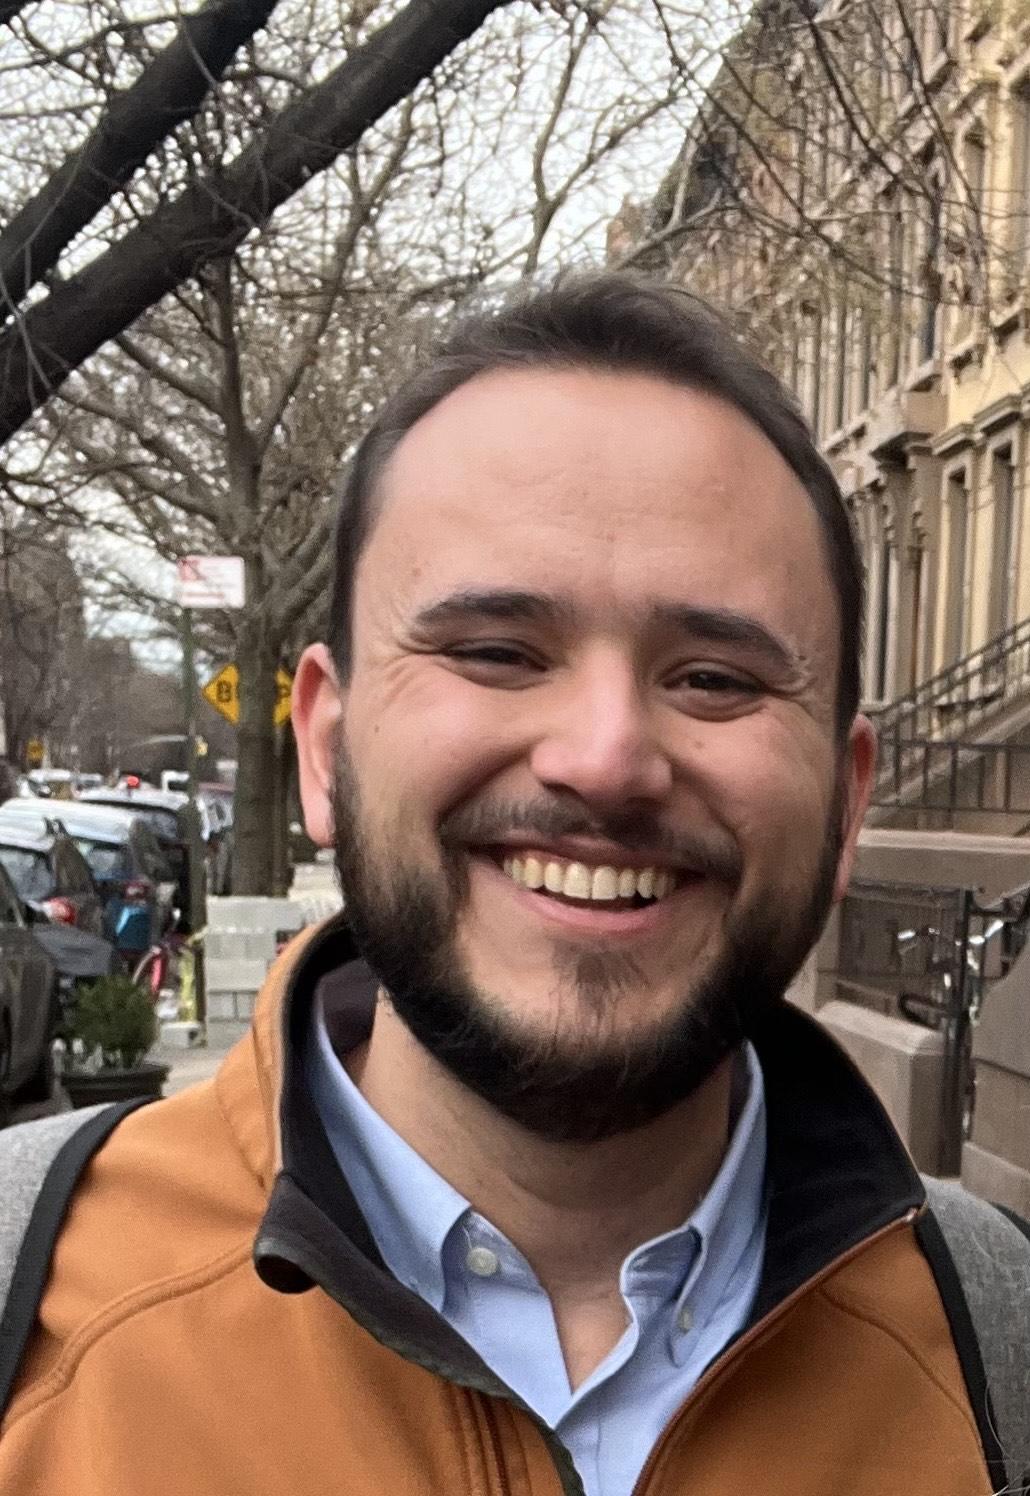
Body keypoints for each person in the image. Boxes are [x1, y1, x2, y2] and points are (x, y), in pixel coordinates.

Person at [0, 273, 1020, 1495]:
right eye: (495, 651)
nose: (604, 756)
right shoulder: (33, 1300)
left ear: (849, 800)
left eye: (713, 678)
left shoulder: (994, 1356)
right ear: (324, 745)